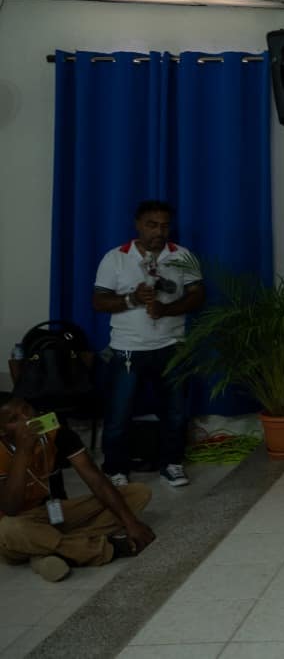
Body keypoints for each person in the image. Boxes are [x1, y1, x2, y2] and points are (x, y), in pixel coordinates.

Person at [91, 200, 205, 489]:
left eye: (165, 225)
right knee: (119, 413)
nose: (159, 231)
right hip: (128, 348)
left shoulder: (183, 256)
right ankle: (115, 468)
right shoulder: (115, 258)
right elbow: (99, 301)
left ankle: (172, 464)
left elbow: (197, 295)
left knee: (175, 412)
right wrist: (132, 299)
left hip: (172, 346)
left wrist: (166, 309)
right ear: (138, 225)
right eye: (152, 225)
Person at [0, 393, 155, 582]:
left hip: (53, 514)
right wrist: (23, 451)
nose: (27, 419)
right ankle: (105, 549)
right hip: (15, 526)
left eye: (26, 410)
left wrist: (131, 523)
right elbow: (10, 508)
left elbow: (95, 480)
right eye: (14, 419)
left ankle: (49, 551)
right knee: (9, 528)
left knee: (138, 492)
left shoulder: (56, 433)